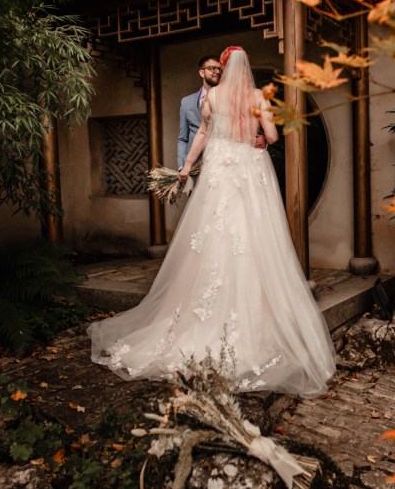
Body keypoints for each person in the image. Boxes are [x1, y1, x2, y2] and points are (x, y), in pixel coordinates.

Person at [88, 46, 336, 398]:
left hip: (219, 172)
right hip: (251, 173)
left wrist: (186, 166)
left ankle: (195, 321)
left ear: (222, 68)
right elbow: (274, 137)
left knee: (210, 238)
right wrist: (260, 138)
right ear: (247, 68)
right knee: (256, 237)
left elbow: (202, 135)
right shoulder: (257, 97)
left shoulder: (211, 97)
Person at [177, 55, 222, 170]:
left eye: (219, 69)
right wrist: (182, 164)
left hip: (220, 162)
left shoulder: (227, 100)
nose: (217, 71)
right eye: (212, 68)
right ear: (202, 73)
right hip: (193, 165)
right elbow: (183, 138)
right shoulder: (186, 102)